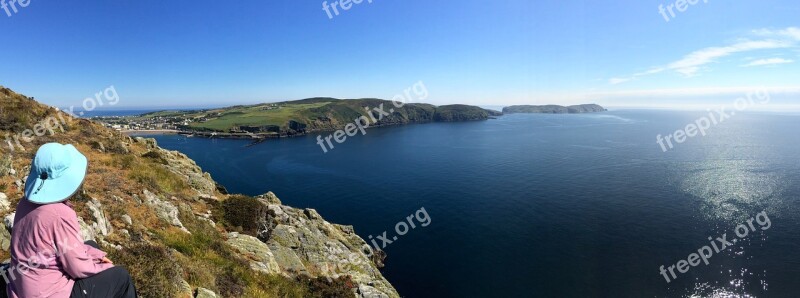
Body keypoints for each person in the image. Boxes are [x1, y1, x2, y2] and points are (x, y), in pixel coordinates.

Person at [6, 143, 137, 298]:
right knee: (121, 277)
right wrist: (104, 266)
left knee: (91, 245)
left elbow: (58, 248)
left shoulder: (24, 203)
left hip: (21, 287)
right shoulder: (60, 214)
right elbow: (76, 268)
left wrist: (96, 254)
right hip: (48, 293)